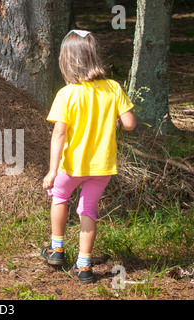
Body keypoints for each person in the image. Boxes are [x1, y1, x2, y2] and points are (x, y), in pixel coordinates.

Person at [41, 30, 136, 283]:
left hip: (71, 166)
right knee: (88, 210)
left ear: (67, 61)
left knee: (60, 196)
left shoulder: (67, 93)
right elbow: (129, 123)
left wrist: (52, 171)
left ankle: (56, 249)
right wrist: (111, 120)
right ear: (94, 56)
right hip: (102, 166)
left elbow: (59, 134)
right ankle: (83, 265)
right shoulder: (113, 88)